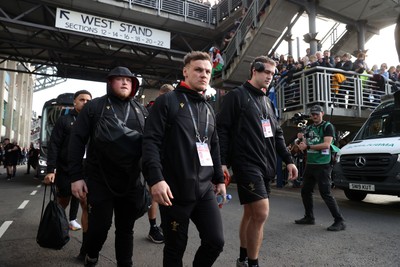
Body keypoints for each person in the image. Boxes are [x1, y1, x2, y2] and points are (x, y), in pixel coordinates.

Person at [142, 51, 226, 267]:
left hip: (204, 188)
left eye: (207, 71)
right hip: (174, 189)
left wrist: (219, 179)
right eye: (198, 70)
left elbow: (213, 146)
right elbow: (150, 142)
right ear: (185, 71)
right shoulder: (167, 102)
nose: (204, 74)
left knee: (215, 241)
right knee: (175, 248)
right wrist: (155, 179)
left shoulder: (208, 108)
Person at [217, 56, 298, 267]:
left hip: (266, 164)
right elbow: (222, 130)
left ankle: (243, 257)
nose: (270, 77)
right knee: (261, 212)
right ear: (254, 70)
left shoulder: (268, 102)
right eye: (266, 72)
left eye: (273, 74)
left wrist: (288, 160)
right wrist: (222, 162)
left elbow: (278, 135)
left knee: (251, 212)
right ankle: (253, 263)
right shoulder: (236, 96)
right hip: (246, 163)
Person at [69, 67, 147, 267]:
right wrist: (76, 177)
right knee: (99, 227)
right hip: (100, 180)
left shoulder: (141, 110)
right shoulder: (95, 107)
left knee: (125, 228)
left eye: (129, 80)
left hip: (131, 181)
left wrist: (155, 179)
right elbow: (77, 141)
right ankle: (92, 253)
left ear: (134, 85)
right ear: (110, 82)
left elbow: (151, 145)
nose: (124, 83)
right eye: (119, 79)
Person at [43, 90, 92, 259]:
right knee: (61, 204)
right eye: (82, 99)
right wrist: (51, 170)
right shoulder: (64, 120)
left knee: (87, 206)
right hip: (66, 171)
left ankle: (85, 249)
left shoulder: (94, 121)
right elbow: (54, 145)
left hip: (86, 171)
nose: (85, 102)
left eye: (88, 100)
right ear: (75, 102)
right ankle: (56, 231)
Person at [295, 105, 345, 231]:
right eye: (313, 114)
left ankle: (339, 221)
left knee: (326, 193)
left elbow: (327, 145)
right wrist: (300, 141)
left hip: (323, 164)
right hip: (310, 164)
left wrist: (308, 147)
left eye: (317, 113)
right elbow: (305, 143)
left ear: (322, 113)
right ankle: (309, 217)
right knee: (305, 191)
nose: (315, 116)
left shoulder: (327, 126)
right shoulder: (310, 128)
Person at [146, 83, 174, 244]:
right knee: (155, 194)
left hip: (170, 160)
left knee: (169, 194)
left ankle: (164, 226)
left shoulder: (176, 109)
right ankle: (153, 227)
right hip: (155, 159)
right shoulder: (151, 110)